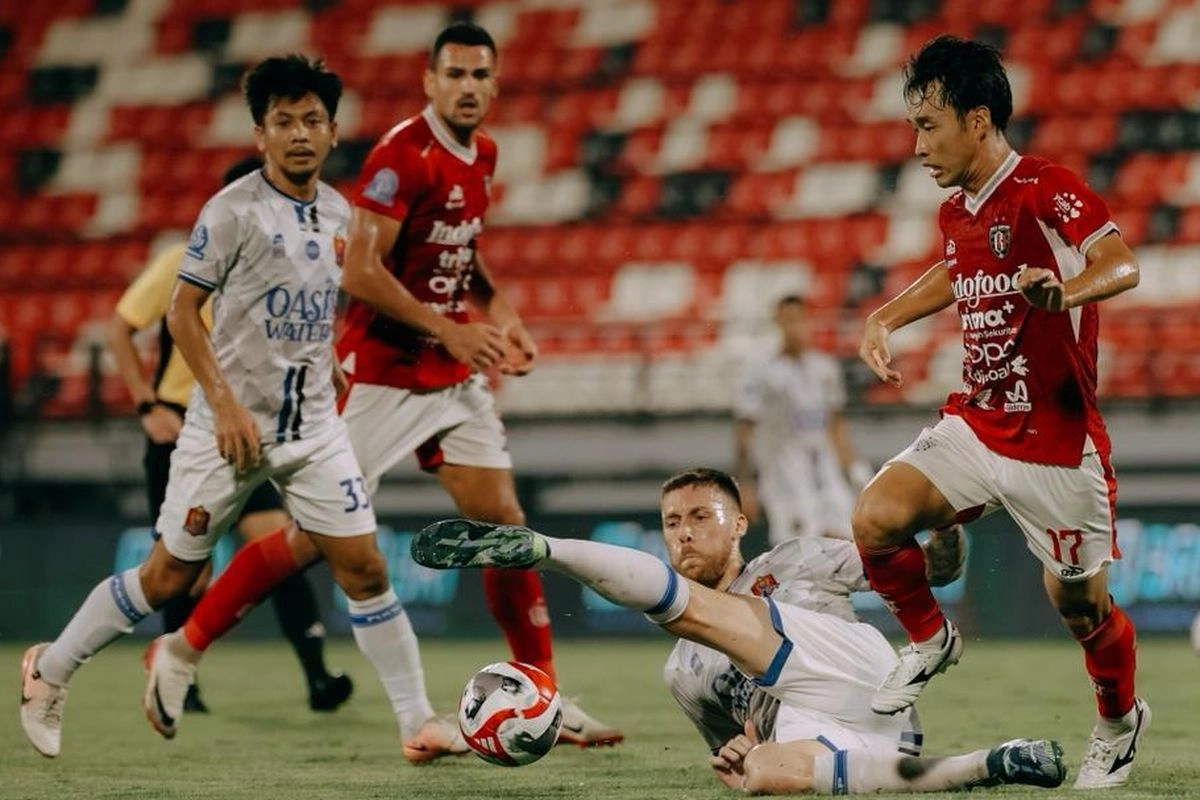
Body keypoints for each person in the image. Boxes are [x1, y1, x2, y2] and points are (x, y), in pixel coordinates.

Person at [143, 21, 622, 759]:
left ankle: (543, 688)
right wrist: (450, 327)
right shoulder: (402, 155)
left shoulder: (483, 153)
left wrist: (497, 309)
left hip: (451, 375)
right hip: (382, 374)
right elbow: (361, 272)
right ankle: (183, 644)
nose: (468, 86)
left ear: (495, 84)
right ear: (429, 81)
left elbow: (458, 246)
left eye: (480, 75)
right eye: (454, 74)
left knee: (506, 529)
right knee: (309, 541)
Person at [19, 54, 440, 760]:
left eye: (311, 120)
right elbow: (182, 315)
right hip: (223, 430)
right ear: (259, 135)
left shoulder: (339, 214)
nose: (299, 133)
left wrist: (331, 367)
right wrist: (224, 404)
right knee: (168, 577)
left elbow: (311, 310)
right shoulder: (231, 210)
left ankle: (418, 722)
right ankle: (50, 671)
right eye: (283, 122)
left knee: (365, 567)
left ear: (333, 131)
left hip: (311, 430)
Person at [849, 35, 1147, 790]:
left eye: (928, 123)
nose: (917, 144)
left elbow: (1121, 262)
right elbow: (956, 273)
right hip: (978, 424)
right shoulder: (958, 213)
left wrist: (1065, 292)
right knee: (875, 517)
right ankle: (929, 636)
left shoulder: (1047, 188)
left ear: (978, 119)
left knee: (1080, 607)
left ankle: (1118, 721)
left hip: (1058, 443)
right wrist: (886, 316)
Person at [407, 468, 1068, 795]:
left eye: (700, 514)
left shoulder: (800, 560)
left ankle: (543, 549)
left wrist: (945, 529)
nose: (684, 530)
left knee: (699, 612)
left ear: (740, 522)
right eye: (671, 521)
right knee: (762, 775)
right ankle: (993, 762)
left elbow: (932, 572)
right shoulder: (682, 674)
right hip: (839, 734)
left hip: (858, 672)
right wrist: (738, 753)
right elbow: (738, 748)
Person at [106, 155, 353, 715]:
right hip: (184, 424)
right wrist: (146, 403)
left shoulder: (280, 264)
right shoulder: (179, 261)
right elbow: (120, 327)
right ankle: (178, 679)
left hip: (251, 428)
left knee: (277, 546)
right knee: (183, 566)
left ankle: (318, 677)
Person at [733, 294, 872, 544]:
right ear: (778, 323)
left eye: (799, 320)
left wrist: (855, 470)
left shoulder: (824, 367)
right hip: (781, 472)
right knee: (795, 547)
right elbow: (745, 428)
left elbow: (836, 425)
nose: (794, 327)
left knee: (844, 539)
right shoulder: (760, 371)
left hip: (824, 469)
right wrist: (744, 484)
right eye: (787, 321)